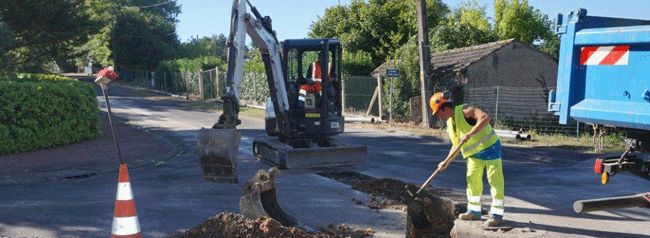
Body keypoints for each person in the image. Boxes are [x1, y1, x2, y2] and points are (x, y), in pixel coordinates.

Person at [430, 90, 505, 227]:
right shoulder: (449, 123)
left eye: (439, 113)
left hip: (490, 148)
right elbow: (456, 146)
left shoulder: (466, 110)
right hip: (473, 155)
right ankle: (474, 212)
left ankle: (496, 215)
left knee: (495, 181)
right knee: (472, 181)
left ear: (446, 109)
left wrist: (469, 134)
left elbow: (485, 117)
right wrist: (445, 162)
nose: (439, 116)